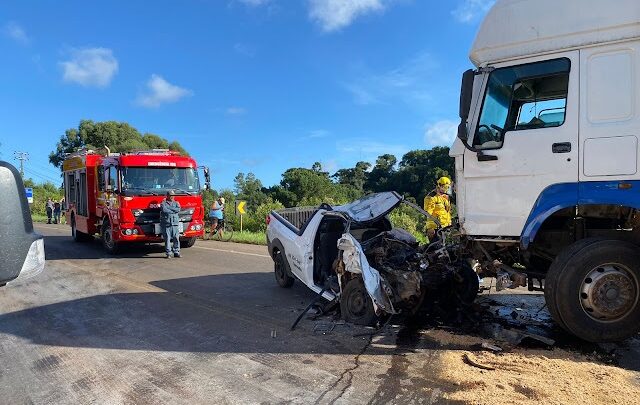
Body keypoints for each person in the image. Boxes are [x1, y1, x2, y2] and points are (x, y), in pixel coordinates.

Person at [161, 190, 182, 258]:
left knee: (176, 238)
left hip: (175, 224)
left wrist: (169, 209)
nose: (172, 197)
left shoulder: (176, 203)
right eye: (170, 195)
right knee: (167, 239)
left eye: (173, 195)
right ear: (167, 196)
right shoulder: (163, 203)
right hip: (166, 224)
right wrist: (173, 210)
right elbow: (164, 210)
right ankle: (168, 253)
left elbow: (178, 209)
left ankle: (176, 252)